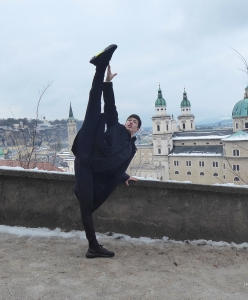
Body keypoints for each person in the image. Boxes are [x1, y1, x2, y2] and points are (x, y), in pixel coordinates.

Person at [72, 44, 141, 258]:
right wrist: (108, 83)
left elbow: (116, 166)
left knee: (87, 207)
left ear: (138, 129)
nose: (130, 122)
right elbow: (110, 105)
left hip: (88, 167)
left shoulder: (131, 148)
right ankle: (100, 67)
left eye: (134, 122)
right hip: (89, 146)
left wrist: (125, 177)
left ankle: (93, 247)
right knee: (94, 104)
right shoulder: (115, 127)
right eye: (129, 119)